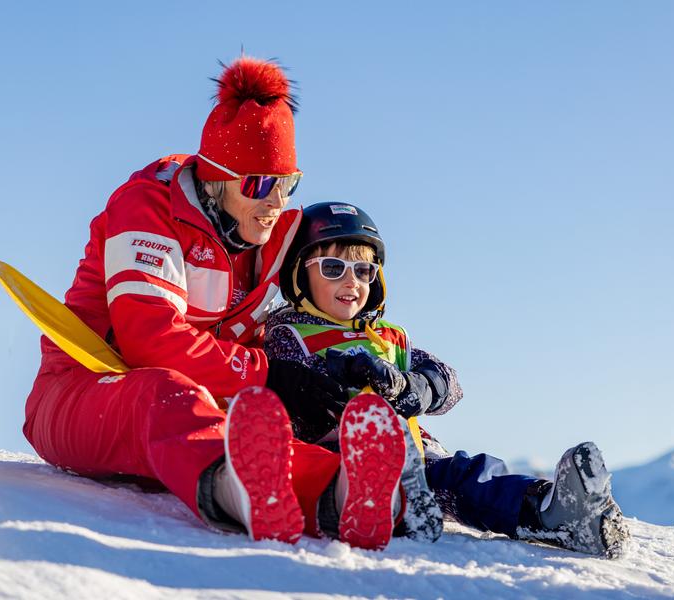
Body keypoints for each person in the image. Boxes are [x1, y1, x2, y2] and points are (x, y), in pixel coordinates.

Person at [22, 57, 412, 550]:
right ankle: (235, 490)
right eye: (259, 184)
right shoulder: (149, 208)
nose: (275, 202)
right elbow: (149, 338)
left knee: (259, 426)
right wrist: (268, 372)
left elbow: (324, 306)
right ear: (218, 179)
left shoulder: (274, 243)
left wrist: (335, 373)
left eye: (287, 183)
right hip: (84, 389)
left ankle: (343, 494)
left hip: (214, 400)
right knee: (165, 395)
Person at [264, 202, 632, 558]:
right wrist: (340, 378)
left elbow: (448, 381)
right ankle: (387, 503)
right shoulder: (289, 333)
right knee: (364, 473)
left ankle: (555, 510)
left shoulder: (390, 337)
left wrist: (412, 388)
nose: (352, 282)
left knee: (463, 476)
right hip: (343, 458)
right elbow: (294, 391)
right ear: (299, 274)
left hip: (415, 456)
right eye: (333, 268)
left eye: (363, 271)